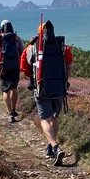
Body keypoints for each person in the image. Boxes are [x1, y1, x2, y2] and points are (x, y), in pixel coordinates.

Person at [23, 19, 73, 165]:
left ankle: (55, 146)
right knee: (55, 117)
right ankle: (51, 146)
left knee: (45, 118)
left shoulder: (31, 48)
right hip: (59, 87)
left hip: (42, 87)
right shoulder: (63, 47)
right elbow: (69, 64)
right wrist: (64, 79)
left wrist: (33, 77)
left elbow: (25, 68)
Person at [0, 20, 25, 123]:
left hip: (2, 68)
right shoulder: (16, 38)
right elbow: (22, 52)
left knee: (5, 90)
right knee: (14, 88)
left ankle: (10, 113)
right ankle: (14, 109)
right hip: (14, 67)